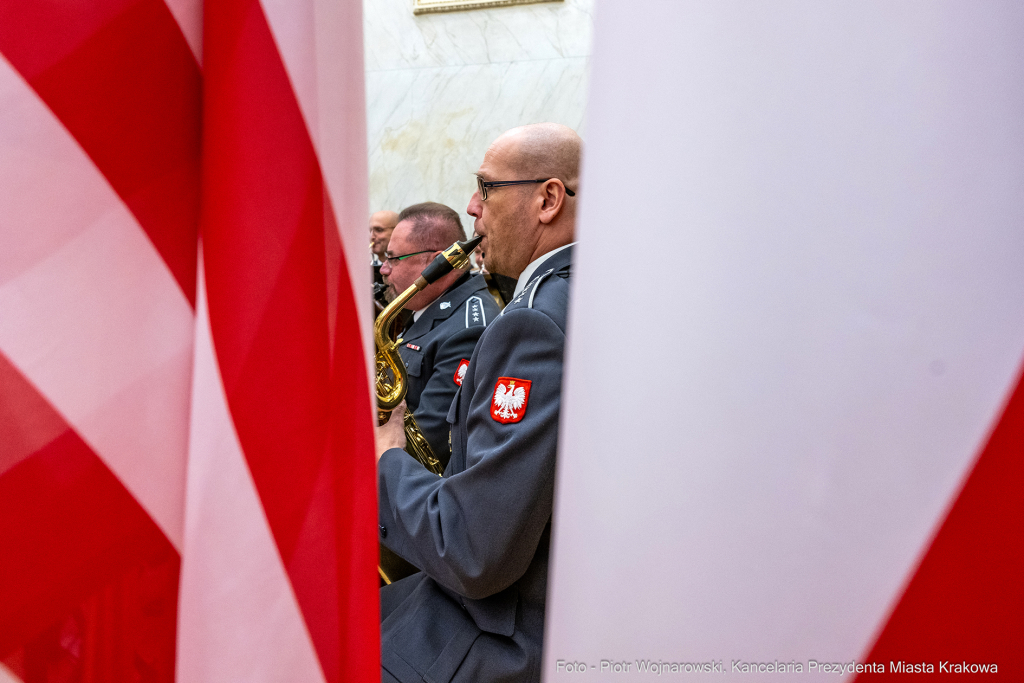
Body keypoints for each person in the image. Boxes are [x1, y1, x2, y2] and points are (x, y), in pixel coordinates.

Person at [375, 122, 580, 683]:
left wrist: (388, 457)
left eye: (486, 189)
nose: (472, 208)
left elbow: (472, 549)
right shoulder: (591, 291)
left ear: (547, 198)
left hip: (499, 634)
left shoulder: (536, 322)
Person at [379, 202, 501, 465]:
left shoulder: (467, 329)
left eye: (393, 258)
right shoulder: (428, 305)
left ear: (436, 264)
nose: (384, 269)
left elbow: (428, 446)